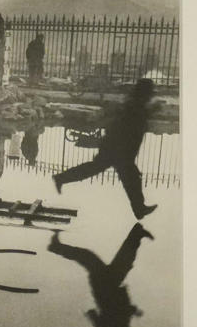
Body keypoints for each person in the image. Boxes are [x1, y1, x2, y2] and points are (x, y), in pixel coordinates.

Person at [52, 77, 159, 220]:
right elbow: (131, 122)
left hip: (117, 148)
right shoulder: (135, 105)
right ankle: (139, 209)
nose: (152, 94)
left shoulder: (135, 103)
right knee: (130, 177)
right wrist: (152, 110)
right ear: (145, 93)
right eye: (150, 92)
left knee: (106, 171)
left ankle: (61, 178)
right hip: (118, 149)